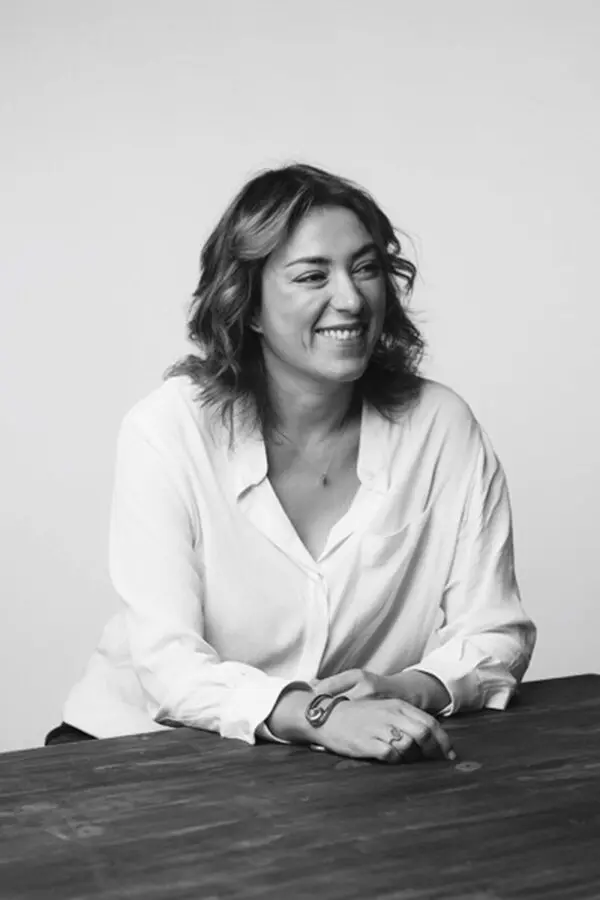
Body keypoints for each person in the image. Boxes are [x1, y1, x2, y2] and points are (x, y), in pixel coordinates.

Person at [45, 163, 536, 763]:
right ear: (246, 303)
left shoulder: (440, 426)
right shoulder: (168, 429)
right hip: (136, 746)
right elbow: (168, 666)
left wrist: (412, 687)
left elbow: (496, 629)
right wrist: (319, 714)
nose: (351, 299)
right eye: (312, 275)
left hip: (323, 763)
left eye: (366, 268)